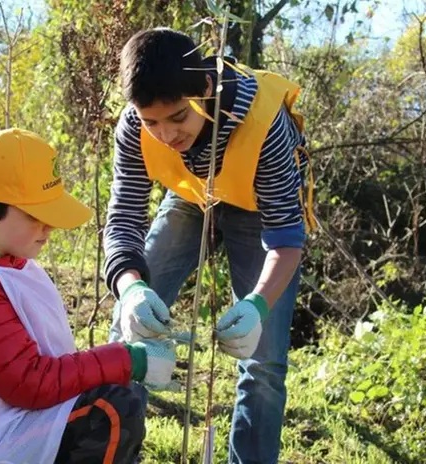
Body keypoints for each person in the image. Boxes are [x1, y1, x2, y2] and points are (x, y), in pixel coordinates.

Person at [103, 28, 316, 463]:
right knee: (128, 328)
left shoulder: (266, 123)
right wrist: (130, 289)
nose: (165, 135)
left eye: (178, 117)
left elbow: (286, 237)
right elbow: (123, 219)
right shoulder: (134, 125)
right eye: (151, 122)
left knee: (263, 363)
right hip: (190, 195)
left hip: (257, 208)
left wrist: (258, 306)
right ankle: (110, 452)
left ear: (206, 88)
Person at [0, 128, 177, 464]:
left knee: (121, 394)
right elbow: (30, 382)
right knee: (109, 410)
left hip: (9, 429)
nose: (49, 227)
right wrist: (129, 358)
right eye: (36, 215)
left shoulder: (11, 265)